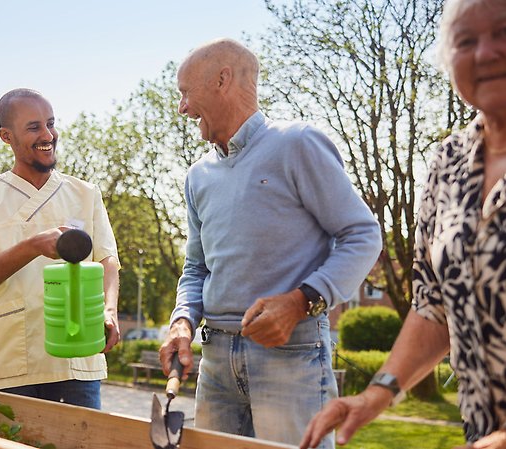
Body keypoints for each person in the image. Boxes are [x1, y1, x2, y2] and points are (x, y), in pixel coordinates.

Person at [300, 0, 506, 447]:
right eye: (466, 41)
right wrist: (377, 394)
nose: (486, 53)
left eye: (503, 32)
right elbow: (435, 304)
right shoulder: (448, 163)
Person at [158, 38, 382, 448]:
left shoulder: (297, 143)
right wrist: (182, 322)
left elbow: (363, 234)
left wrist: (301, 301)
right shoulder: (198, 176)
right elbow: (196, 268)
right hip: (216, 361)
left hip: (291, 356)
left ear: (223, 79)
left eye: (186, 93)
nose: (183, 108)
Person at [0, 88, 120, 410]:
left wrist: (108, 310)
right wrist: (33, 245)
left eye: (51, 124)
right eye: (34, 127)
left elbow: (107, 260)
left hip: (77, 358)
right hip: (6, 361)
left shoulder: (86, 193)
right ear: (7, 136)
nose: (48, 135)